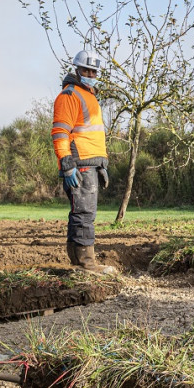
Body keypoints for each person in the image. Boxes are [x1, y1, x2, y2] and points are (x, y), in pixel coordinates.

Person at [52, 49, 115, 274]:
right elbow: (60, 132)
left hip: (91, 162)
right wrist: (67, 164)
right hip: (79, 163)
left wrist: (102, 164)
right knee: (84, 213)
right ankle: (86, 264)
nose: (90, 73)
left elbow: (92, 134)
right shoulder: (69, 96)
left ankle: (80, 262)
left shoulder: (89, 95)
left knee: (85, 212)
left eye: (94, 71)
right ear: (77, 70)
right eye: (86, 69)